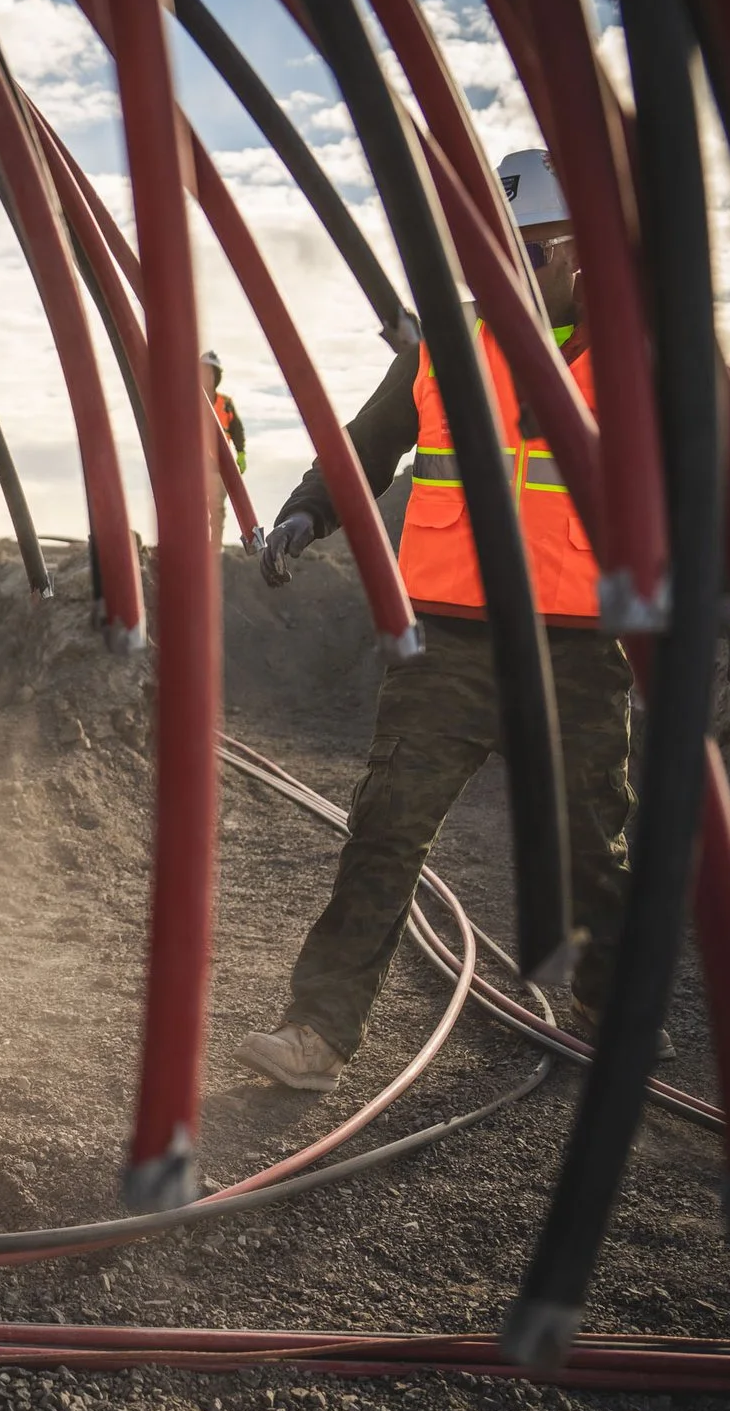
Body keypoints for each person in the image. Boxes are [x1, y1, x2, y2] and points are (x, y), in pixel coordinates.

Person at [237, 149, 656, 1093]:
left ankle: (606, 1002)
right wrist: (306, 512)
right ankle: (317, 1032)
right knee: (385, 829)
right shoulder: (445, 347)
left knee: (594, 838)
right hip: (449, 645)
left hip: (577, 648)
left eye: (529, 250)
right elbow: (366, 448)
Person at [202, 351, 245, 545]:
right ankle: (196, 548)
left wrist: (241, 453)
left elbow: (237, 430)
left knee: (217, 509)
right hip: (195, 466)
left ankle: (215, 550)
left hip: (219, 467)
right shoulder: (189, 403)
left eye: (211, 373)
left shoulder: (226, 404)